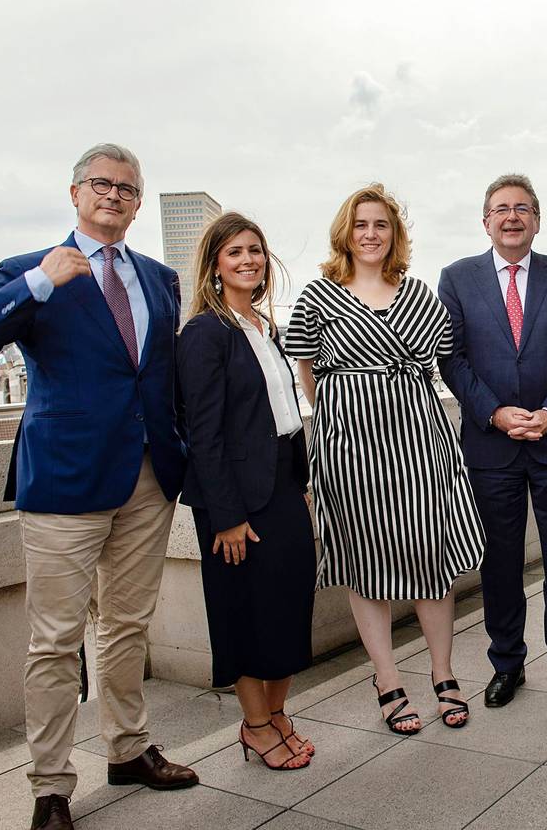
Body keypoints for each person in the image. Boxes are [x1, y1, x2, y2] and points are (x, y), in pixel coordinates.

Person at [0, 144, 198, 830]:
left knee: (127, 624)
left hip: (149, 475)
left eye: (127, 188)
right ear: (75, 193)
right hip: (64, 479)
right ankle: (51, 786)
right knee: (56, 640)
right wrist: (38, 284)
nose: (114, 195)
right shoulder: (27, 269)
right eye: (101, 184)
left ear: (138, 203)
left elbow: (160, 376)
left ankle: (128, 747)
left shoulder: (160, 278)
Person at [286, 184, 484, 735]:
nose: (370, 234)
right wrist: (348, 413)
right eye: (361, 224)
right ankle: (387, 678)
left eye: (381, 224)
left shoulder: (420, 295)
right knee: (364, 561)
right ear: (345, 233)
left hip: (419, 441)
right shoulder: (317, 296)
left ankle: (443, 672)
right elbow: (307, 375)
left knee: (430, 555)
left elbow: (443, 364)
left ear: (394, 234)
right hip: (349, 447)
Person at [438, 173, 547, 707]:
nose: (512, 217)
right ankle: (506, 663)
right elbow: (451, 357)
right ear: (485, 221)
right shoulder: (457, 278)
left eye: (522, 209)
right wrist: (493, 413)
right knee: (501, 561)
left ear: (537, 220)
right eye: (501, 209)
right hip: (492, 447)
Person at [177, 212, 316, 769]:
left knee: (288, 605)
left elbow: (283, 413)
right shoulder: (203, 333)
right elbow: (203, 433)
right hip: (234, 497)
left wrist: (300, 483)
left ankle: (277, 714)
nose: (248, 260)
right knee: (245, 613)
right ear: (215, 265)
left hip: (282, 484)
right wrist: (227, 515)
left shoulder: (264, 326)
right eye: (234, 252)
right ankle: (256, 726)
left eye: (254, 250)